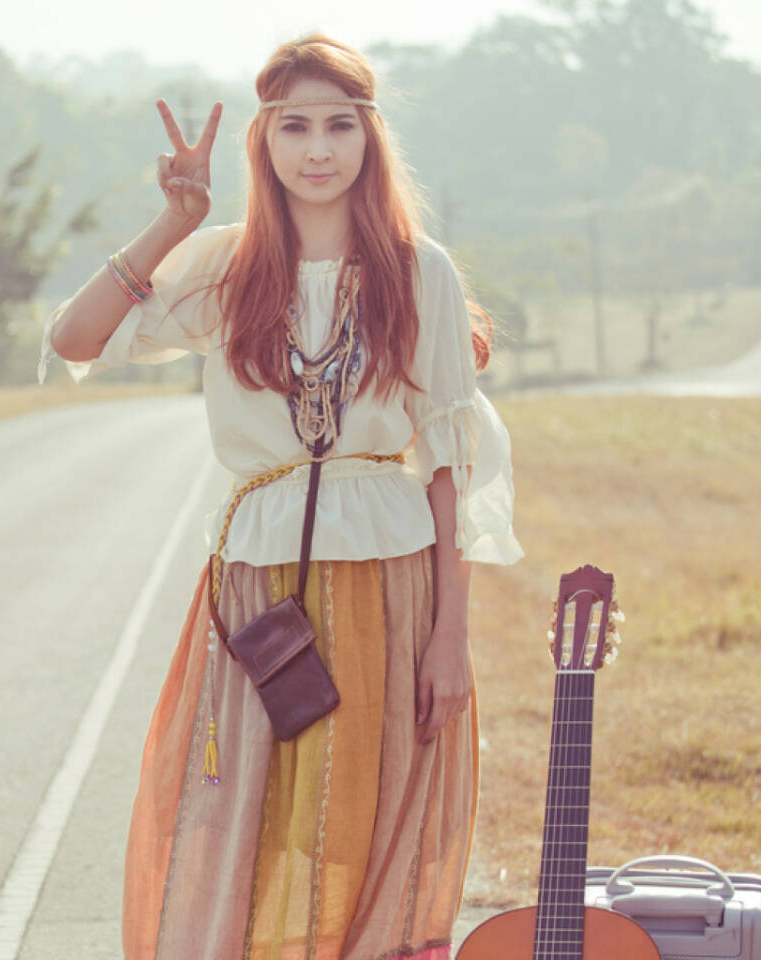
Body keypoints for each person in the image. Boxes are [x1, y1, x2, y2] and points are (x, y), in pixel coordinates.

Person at [37, 32, 522, 960]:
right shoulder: (227, 264)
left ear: (371, 138)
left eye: (341, 125)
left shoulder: (422, 273)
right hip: (260, 587)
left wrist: (452, 635)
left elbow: (453, 465)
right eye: (294, 126)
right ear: (264, 140)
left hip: (392, 582)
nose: (318, 150)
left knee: (367, 816)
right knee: (244, 818)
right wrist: (176, 218)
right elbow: (74, 338)